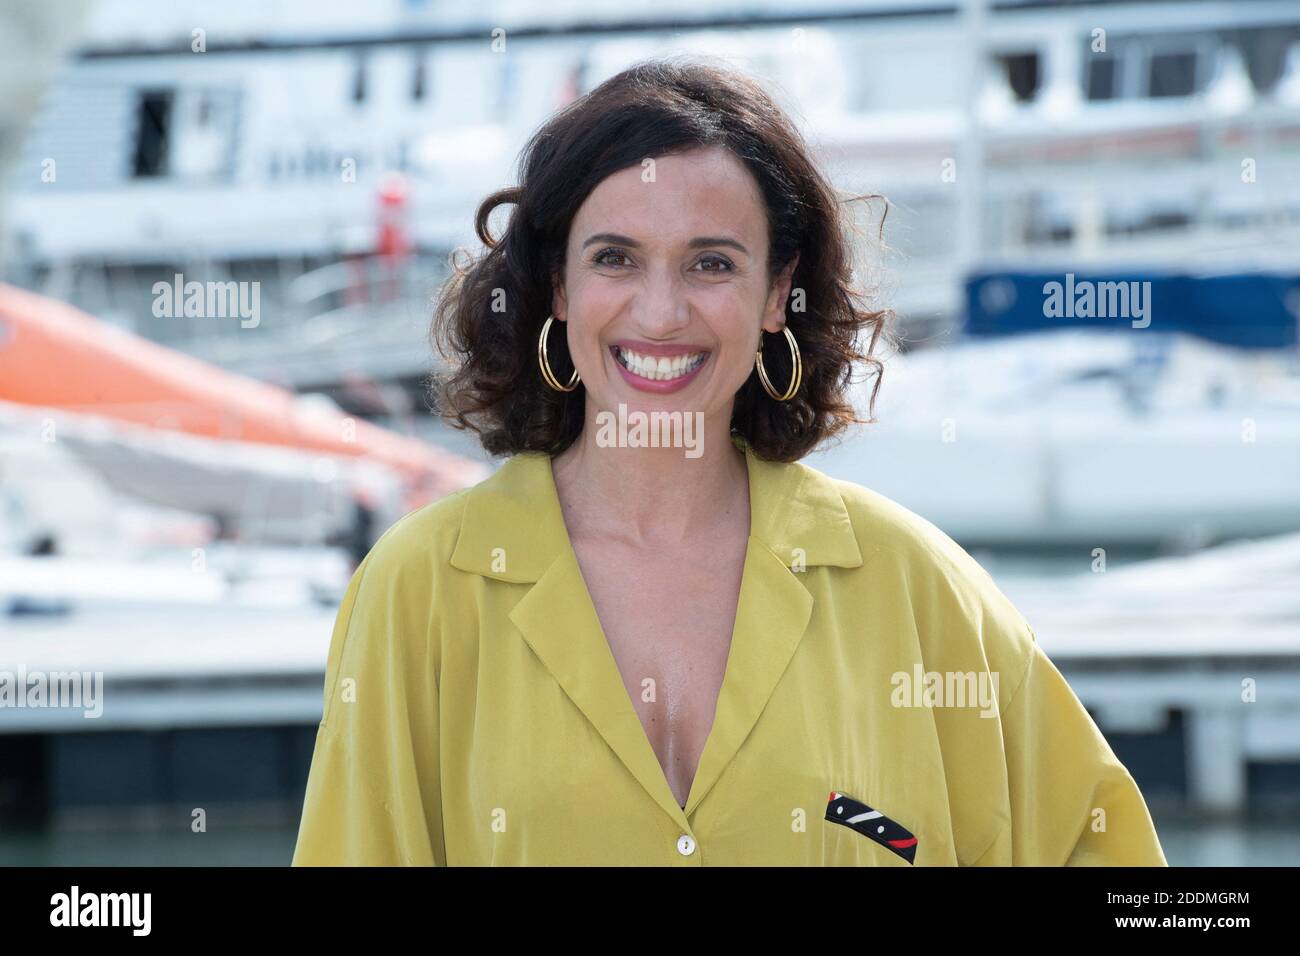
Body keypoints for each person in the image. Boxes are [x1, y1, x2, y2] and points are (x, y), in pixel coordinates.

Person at [292, 56, 1166, 866]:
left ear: (779, 293)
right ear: (558, 285)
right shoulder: (419, 593)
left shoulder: (918, 590)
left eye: (711, 262)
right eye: (615, 259)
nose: (662, 312)